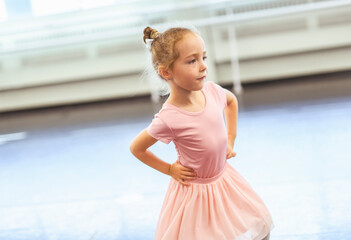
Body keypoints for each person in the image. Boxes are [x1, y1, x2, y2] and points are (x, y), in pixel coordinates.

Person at [129, 25, 274, 240]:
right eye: (192, 61)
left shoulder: (212, 91)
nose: (203, 67)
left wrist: (230, 139)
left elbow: (231, 101)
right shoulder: (169, 117)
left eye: (203, 58)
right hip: (197, 193)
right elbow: (137, 148)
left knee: (260, 228)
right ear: (166, 71)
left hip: (225, 181)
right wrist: (170, 169)